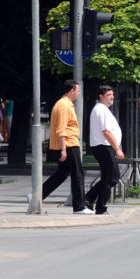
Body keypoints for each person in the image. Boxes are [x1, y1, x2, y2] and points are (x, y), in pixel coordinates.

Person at [36, 80, 90, 214]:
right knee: (78, 174)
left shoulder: (65, 104)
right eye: (77, 91)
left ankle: (37, 196)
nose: (78, 94)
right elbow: (61, 129)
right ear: (71, 91)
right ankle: (79, 206)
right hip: (69, 143)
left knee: (62, 174)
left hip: (68, 143)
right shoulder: (64, 105)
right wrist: (64, 149)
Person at [85, 85, 124, 215]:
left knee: (111, 177)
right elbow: (106, 131)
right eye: (109, 95)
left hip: (106, 147)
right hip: (103, 147)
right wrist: (117, 149)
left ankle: (89, 198)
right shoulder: (100, 110)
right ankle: (100, 207)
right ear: (101, 96)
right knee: (110, 177)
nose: (112, 97)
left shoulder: (103, 109)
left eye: (112, 95)